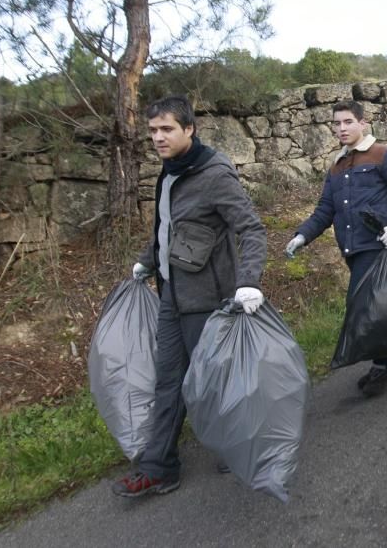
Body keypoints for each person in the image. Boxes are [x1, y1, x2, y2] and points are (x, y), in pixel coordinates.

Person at [114, 95, 268, 498]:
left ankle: (236, 440)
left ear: (189, 130)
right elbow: (167, 230)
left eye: (167, 129)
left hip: (209, 301)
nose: (158, 138)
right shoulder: (167, 174)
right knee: (168, 383)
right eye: (152, 131)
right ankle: (160, 466)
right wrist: (147, 261)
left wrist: (248, 281)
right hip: (170, 296)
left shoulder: (215, 174)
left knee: (216, 381)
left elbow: (251, 229)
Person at [285, 100, 387, 396]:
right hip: (351, 249)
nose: (341, 128)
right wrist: (303, 235)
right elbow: (325, 209)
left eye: (347, 122)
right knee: (373, 311)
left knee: (363, 309)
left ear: (363, 123)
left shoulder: (384, 154)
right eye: (336, 123)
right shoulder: (336, 165)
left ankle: (384, 365)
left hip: (377, 245)